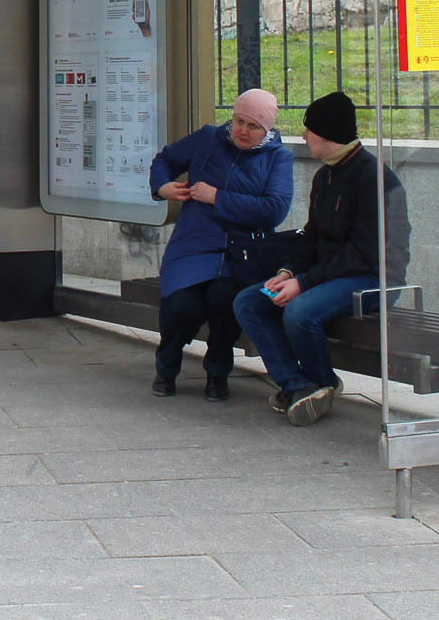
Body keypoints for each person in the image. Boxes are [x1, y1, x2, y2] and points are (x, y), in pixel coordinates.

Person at [231, 91, 411, 427]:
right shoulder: (326, 174)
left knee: (300, 312)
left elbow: (364, 253)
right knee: (249, 301)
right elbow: (312, 235)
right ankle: (298, 386)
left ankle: (324, 383)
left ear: (326, 134)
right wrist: (289, 271)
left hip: (370, 277)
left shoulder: (371, 177)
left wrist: (304, 283)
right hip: (326, 275)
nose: (303, 136)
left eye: (308, 129)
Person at [147, 88, 294, 402]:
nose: (242, 130)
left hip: (241, 254)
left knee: (225, 301)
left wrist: (217, 197)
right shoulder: (208, 139)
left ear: (266, 129)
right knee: (180, 306)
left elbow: (275, 209)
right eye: (238, 120)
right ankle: (166, 366)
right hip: (193, 245)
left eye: (253, 126)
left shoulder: (278, 157)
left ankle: (217, 373)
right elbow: (165, 159)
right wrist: (162, 187)